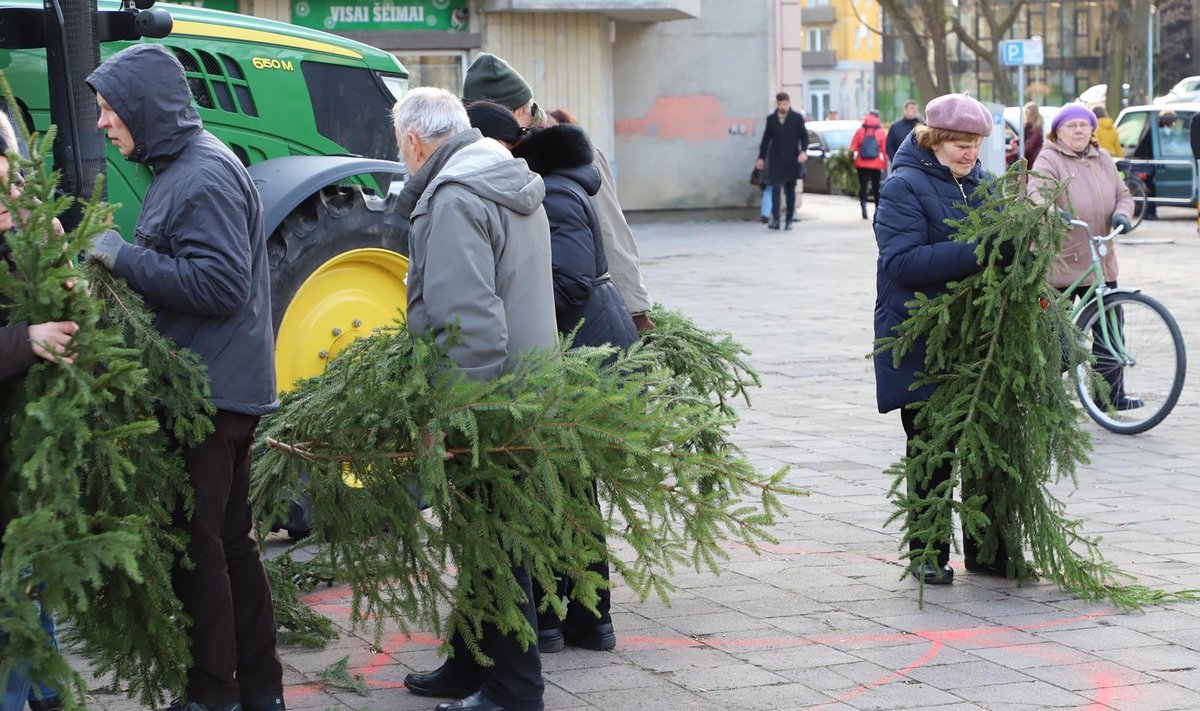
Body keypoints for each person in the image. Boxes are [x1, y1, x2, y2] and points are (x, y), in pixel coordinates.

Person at [83, 44, 284, 711]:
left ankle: (214, 695)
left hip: (207, 393)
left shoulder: (200, 175)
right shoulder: (189, 167)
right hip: (215, 384)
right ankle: (258, 692)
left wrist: (122, 258)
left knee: (201, 551)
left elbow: (219, 283)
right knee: (229, 543)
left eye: (112, 111)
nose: (104, 125)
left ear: (144, 106)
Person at [395, 87, 554, 711]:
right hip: (524, 386)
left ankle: (513, 690)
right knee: (484, 535)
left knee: (493, 540)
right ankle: (470, 662)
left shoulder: (455, 196)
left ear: (413, 141)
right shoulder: (501, 175)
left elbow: (469, 322)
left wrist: (457, 418)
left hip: (486, 399)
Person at [504, 116, 637, 657]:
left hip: (583, 350)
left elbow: (570, 280)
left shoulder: (556, 193)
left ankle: (571, 614)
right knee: (570, 489)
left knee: (563, 489)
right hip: (589, 344)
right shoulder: (568, 185)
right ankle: (581, 616)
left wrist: (514, 309)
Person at [873, 92, 1008, 585]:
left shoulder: (986, 187)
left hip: (977, 340)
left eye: (975, 144)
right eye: (960, 143)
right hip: (921, 337)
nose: (969, 153)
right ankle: (927, 551)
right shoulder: (903, 187)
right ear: (934, 139)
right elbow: (902, 262)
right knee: (932, 448)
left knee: (986, 446)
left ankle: (990, 549)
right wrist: (981, 250)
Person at [463, 53, 655, 332]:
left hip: (580, 316)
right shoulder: (489, 155)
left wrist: (636, 311)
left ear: (515, 112)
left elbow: (611, 234)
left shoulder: (572, 153)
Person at [0, 109, 76, 711]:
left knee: (31, 577)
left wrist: (54, 254)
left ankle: (48, 694)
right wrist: (25, 339)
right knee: (14, 596)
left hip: (31, 450)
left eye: (12, 182)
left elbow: (76, 310)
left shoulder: (23, 230)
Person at [1028, 104, 1138, 410]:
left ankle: (1110, 398)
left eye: (1083, 125)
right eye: (1071, 125)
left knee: (1110, 330)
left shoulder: (1102, 157)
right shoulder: (1050, 157)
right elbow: (1035, 193)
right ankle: (1047, 401)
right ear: (1058, 131)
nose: (1078, 130)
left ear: (1092, 130)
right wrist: (1054, 213)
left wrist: (1122, 215)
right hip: (1060, 263)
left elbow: (1124, 194)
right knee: (1056, 339)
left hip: (1099, 261)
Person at [755, 92, 808, 230]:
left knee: (790, 190)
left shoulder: (797, 118)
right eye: (780, 104)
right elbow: (766, 139)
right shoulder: (772, 119)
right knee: (775, 189)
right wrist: (761, 157)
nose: (782, 107)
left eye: (785, 104)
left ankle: (789, 219)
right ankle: (776, 219)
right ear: (777, 104)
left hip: (792, 159)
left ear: (789, 103)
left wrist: (803, 151)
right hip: (776, 159)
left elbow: (804, 137)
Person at [850, 110, 888, 220]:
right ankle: (877, 210)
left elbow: (853, 147)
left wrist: (852, 161)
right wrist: (885, 166)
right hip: (876, 164)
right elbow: (884, 151)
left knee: (863, 186)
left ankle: (863, 209)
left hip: (861, 163)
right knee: (876, 187)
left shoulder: (860, 131)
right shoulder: (881, 132)